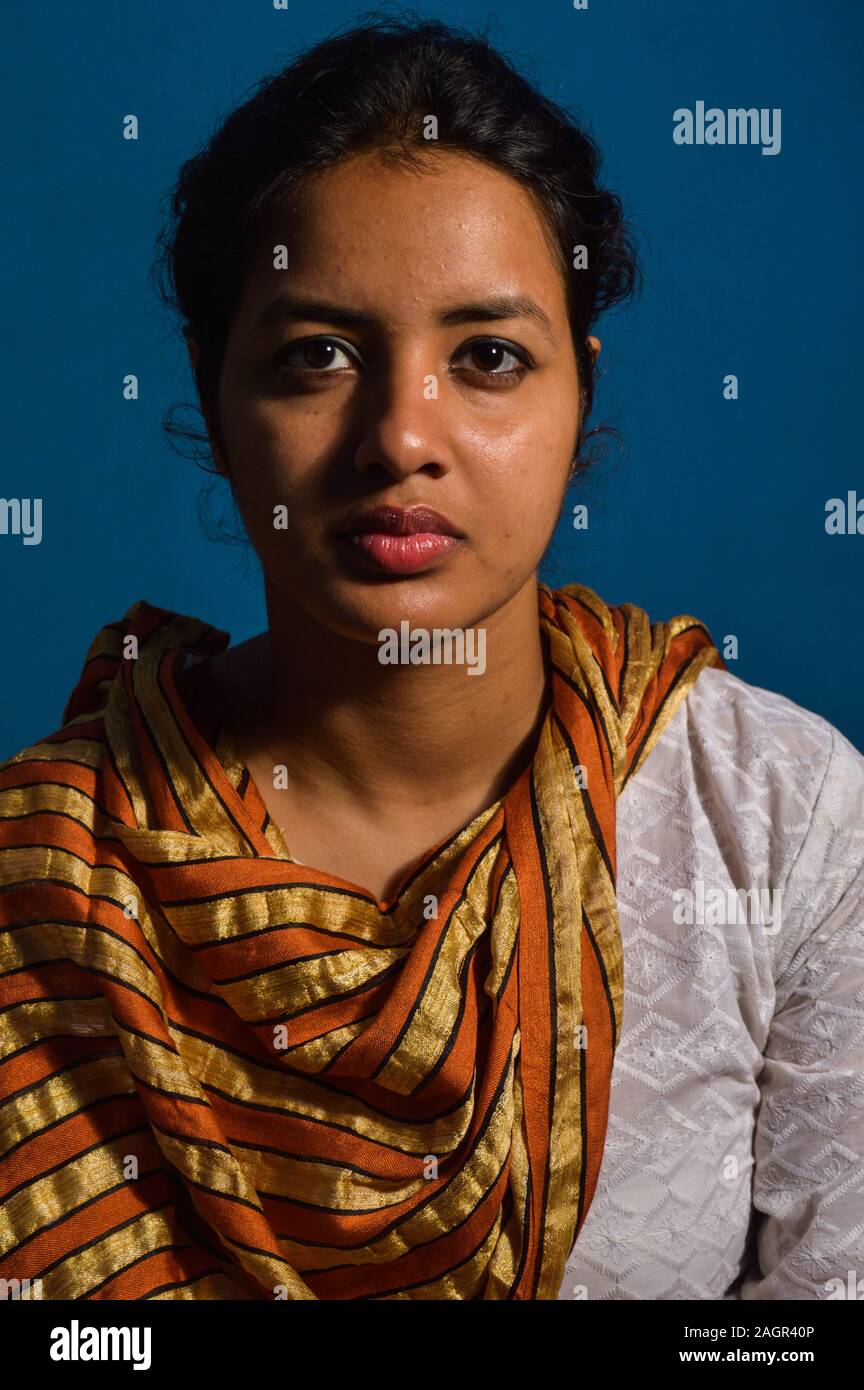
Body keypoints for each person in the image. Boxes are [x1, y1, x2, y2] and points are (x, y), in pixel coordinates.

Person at [1, 17, 862, 1302]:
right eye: (318, 356)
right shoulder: (53, 868)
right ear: (214, 394)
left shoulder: (782, 818)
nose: (403, 433)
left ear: (581, 397)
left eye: (490, 359)